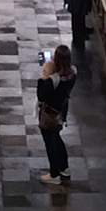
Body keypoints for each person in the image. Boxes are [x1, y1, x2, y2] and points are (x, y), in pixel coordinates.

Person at [36, 46, 77, 186]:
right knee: (57, 138)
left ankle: (54, 173)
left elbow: (42, 96)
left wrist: (45, 77)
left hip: (49, 114)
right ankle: (63, 167)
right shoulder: (73, 73)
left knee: (50, 142)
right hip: (61, 110)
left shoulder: (52, 80)